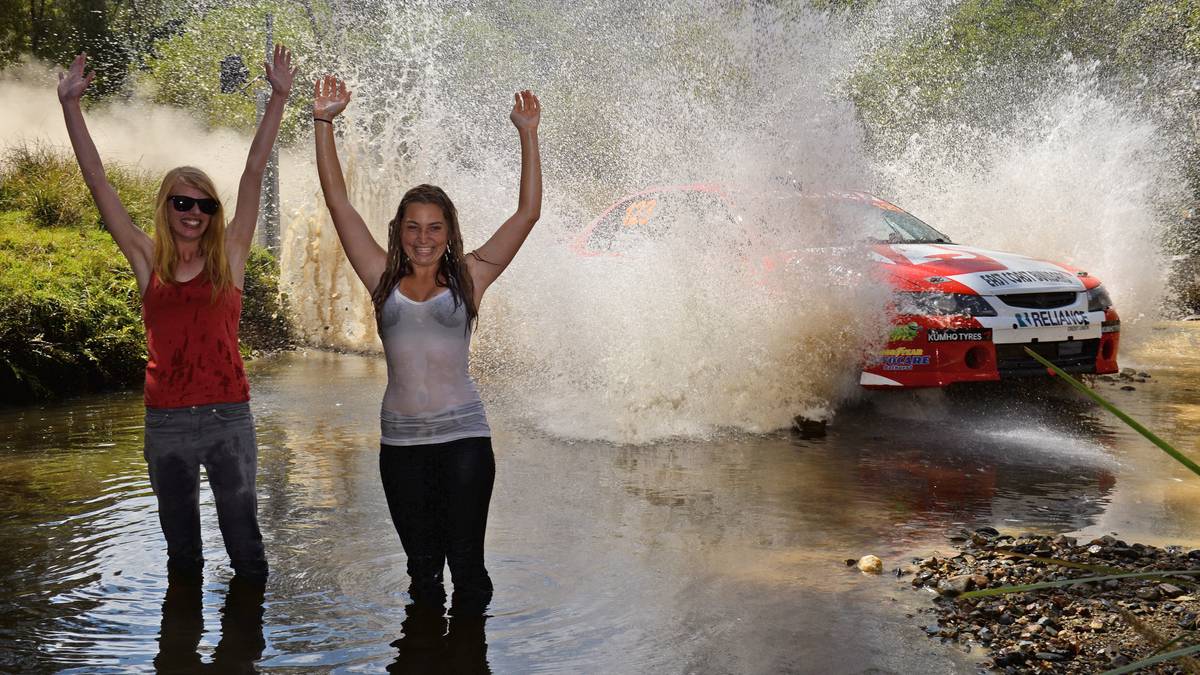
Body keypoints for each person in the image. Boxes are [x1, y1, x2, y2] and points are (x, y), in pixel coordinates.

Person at [57, 46, 295, 583]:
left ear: (215, 214)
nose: (193, 213)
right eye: (182, 203)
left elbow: (254, 172)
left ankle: (244, 659)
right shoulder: (147, 259)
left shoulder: (231, 256)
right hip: (165, 423)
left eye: (204, 205)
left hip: (228, 417)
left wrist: (278, 97)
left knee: (247, 550)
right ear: (166, 206)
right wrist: (71, 105)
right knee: (183, 558)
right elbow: (98, 183)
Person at [312, 75, 541, 615]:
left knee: (467, 568)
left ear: (449, 232)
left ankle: (467, 656)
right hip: (402, 447)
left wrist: (527, 133)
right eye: (413, 227)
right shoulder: (380, 279)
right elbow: (339, 202)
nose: (423, 238)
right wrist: (323, 121)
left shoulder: (471, 277)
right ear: (398, 231)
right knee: (421, 575)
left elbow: (527, 213)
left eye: (434, 228)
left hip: (464, 442)